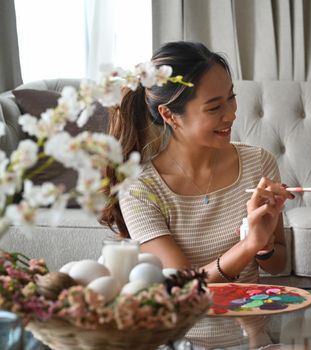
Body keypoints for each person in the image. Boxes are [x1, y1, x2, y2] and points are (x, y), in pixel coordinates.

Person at [99, 41, 293, 285]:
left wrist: (265, 246)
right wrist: (248, 245)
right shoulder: (140, 188)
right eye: (214, 107)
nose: (231, 114)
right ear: (169, 115)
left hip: (251, 322)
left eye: (231, 97)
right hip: (183, 323)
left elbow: (278, 265)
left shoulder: (259, 163)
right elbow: (185, 284)